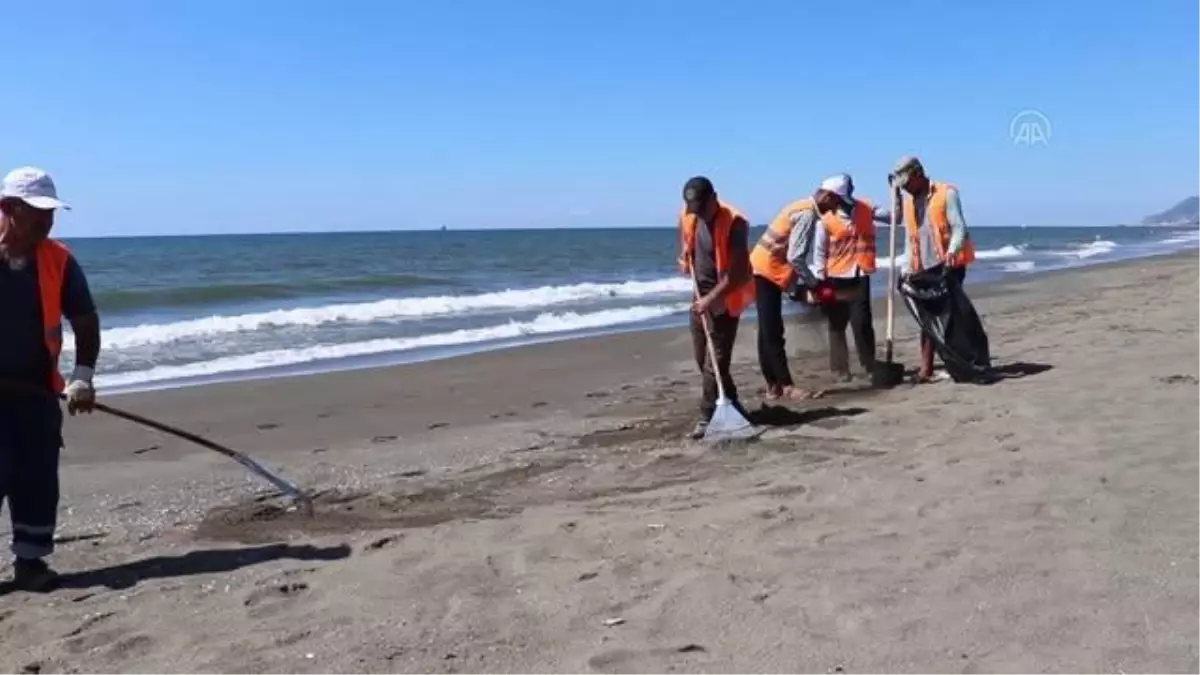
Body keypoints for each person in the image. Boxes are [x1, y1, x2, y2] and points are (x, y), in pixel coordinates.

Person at [0, 167, 99, 592]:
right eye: (38, 212)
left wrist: (82, 377)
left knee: (37, 479)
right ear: (9, 208)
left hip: (37, 394)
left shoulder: (59, 259)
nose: (48, 221)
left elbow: (85, 320)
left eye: (51, 212)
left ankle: (31, 563)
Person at [783, 174, 891, 380]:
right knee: (837, 323)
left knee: (862, 322)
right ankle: (840, 369)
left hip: (860, 273)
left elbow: (894, 218)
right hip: (835, 277)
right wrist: (819, 280)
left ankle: (869, 364)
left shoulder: (866, 208)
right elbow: (819, 252)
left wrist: (895, 198)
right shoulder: (825, 218)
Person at [676, 176, 755, 438]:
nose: (698, 214)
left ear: (714, 198)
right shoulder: (690, 216)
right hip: (700, 299)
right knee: (703, 361)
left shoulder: (735, 223)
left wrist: (712, 300)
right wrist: (686, 262)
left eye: (702, 207)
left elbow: (740, 273)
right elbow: (690, 249)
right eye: (694, 209)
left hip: (725, 301)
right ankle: (731, 402)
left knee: (715, 364)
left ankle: (707, 415)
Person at [889, 155, 978, 381]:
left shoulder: (946, 193)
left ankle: (963, 363)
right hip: (923, 269)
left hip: (949, 266)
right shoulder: (910, 203)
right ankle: (926, 369)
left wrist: (952, 252)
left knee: (950, 318)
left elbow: (959, 228)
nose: (906, 189)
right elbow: (912, 239)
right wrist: (907, 267)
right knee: (927, 319)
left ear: (918, 175)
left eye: (907, 183)